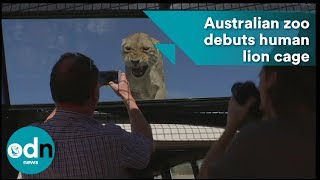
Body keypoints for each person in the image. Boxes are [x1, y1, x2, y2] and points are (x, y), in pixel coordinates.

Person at [20, 52, 154, 179]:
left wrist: (64, 93)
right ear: (95, 96)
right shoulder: (112, 139)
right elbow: (146, 147)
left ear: (53, 93)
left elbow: (50, 125)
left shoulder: (28, 140)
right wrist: (127, 95)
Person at [198, 66, 315, 179]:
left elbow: (204, 176)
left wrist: (231, 127)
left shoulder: (257, 138)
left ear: (271, 78)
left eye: (260, 79)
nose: (259, 88)